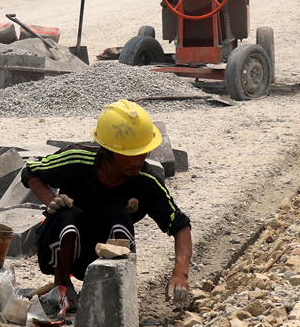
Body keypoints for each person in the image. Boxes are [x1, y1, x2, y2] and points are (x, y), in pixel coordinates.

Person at [22, 100, 193, 309]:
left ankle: (112, 286)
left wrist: (180, 274)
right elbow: (31, 171)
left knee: (117, 214)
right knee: (68, 213)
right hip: (61, 249)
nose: (137, 161)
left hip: (107, 254)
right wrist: (52, 201)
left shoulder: (147, 182)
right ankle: (62, 285)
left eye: (142, 153)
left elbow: (180, 225)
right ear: (107, 151)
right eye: (129, 155)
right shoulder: (76, 161)